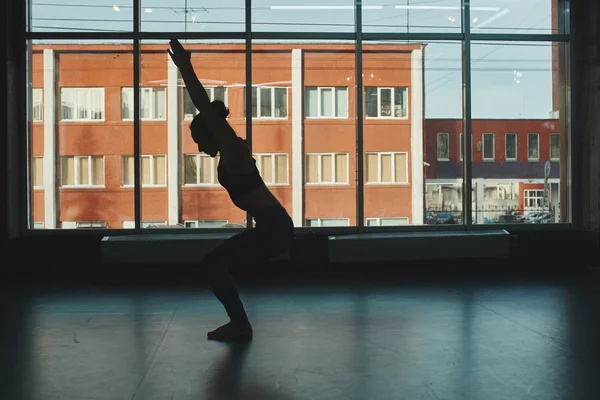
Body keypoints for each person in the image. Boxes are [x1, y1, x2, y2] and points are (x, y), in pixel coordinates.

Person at [168, 39, 294, 342]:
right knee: (216, 263)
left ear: (213, 133)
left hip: (275, 229)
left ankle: (240, 324)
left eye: (200, 140)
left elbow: (202, 104)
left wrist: (185, 67)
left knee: (212, 263)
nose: (199, 148)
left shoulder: (233, 149)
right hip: (273, 227)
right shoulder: (230, 154)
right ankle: (239, 322)